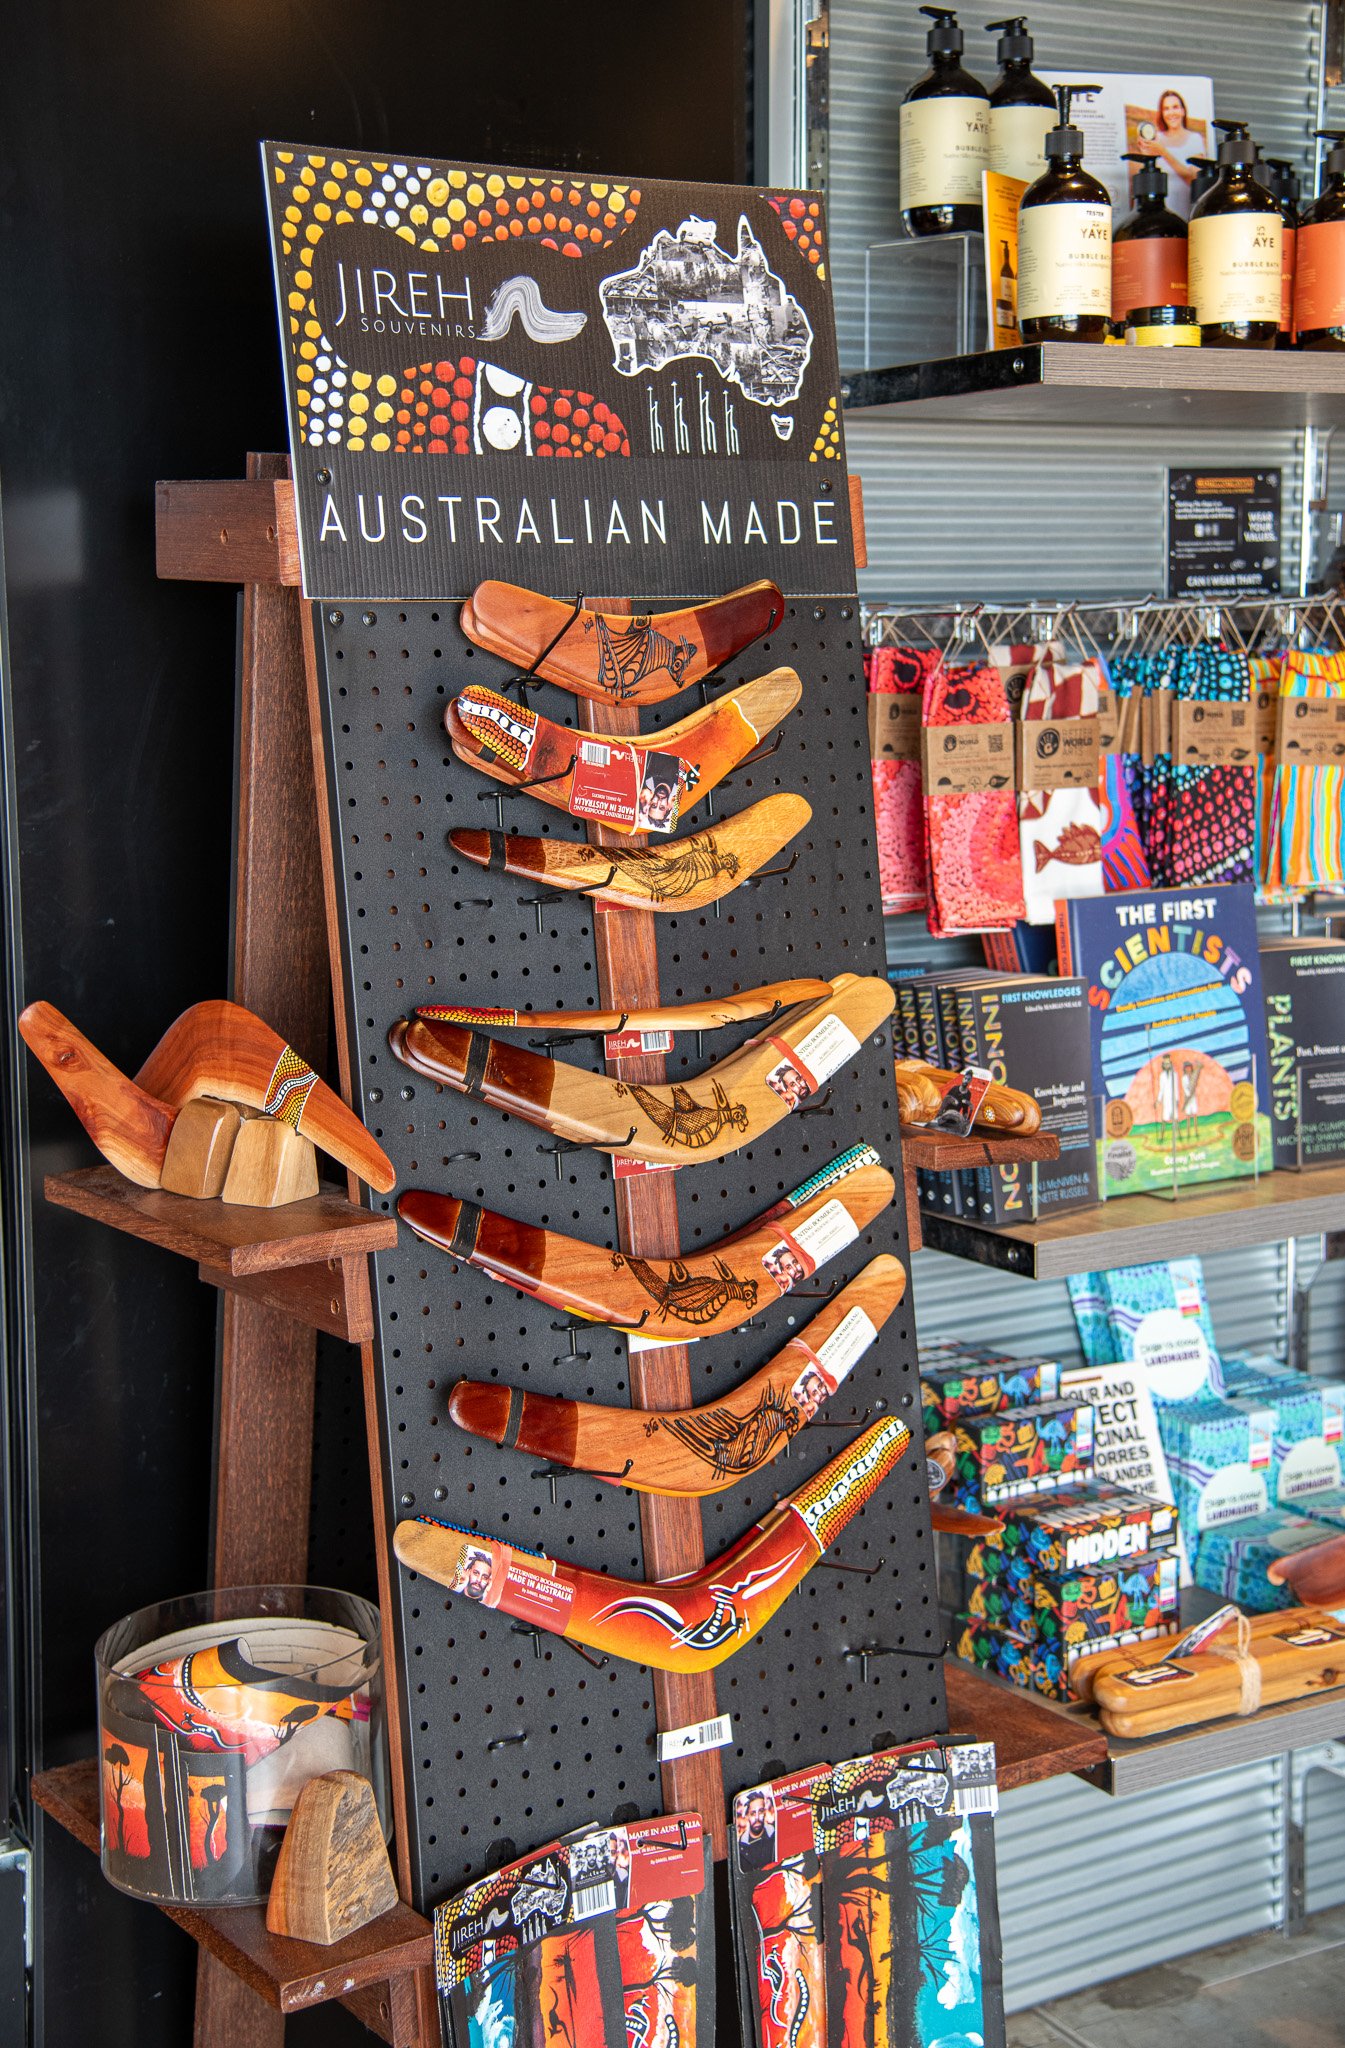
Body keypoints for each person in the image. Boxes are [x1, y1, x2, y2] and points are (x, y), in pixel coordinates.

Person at [1135, 89, 1205, 219]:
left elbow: (1193, 180)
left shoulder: (1194, 139)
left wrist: (1163, 151)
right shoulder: (1157, 138)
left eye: (1175, 107)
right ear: (1162, 113)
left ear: (1183, 111)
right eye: (1166, 108)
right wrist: (1145, 154)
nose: (1171, 112)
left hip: (1185, 212)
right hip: (1158, 214)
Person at [736, 1789, 777, 1869]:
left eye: (761, 1811)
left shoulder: (776, 1835)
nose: (757, 1818)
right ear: (747, 1815)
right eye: (753, 1813)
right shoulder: (740, 1847)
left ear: (765, 1813)